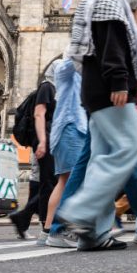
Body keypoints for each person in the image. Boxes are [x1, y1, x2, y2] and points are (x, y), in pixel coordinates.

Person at [57, 0, 137, 251]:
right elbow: (111, 43)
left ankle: (93, 233)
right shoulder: (110, 0)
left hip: (97, 91)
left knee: (101, 157)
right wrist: (119, 82)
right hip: (111, 91)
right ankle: (81, 211)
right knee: (129, 148)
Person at [44, 58, 89, 247]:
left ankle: (49, 229)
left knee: (65, 181)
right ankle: (57, 231)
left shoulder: (76, 77)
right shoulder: (65, 69)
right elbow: (76, 57)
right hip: (70, 129)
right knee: (70, 180)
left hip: (73, 129)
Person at [31, 65, 58, 245]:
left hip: (54, 138)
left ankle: (52, 223)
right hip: (46, 138)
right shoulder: (47, 87)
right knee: (47, 182)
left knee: (54, 181)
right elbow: (39, 114)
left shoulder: (55, 89)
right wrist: (42, 141)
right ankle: (45, 227)